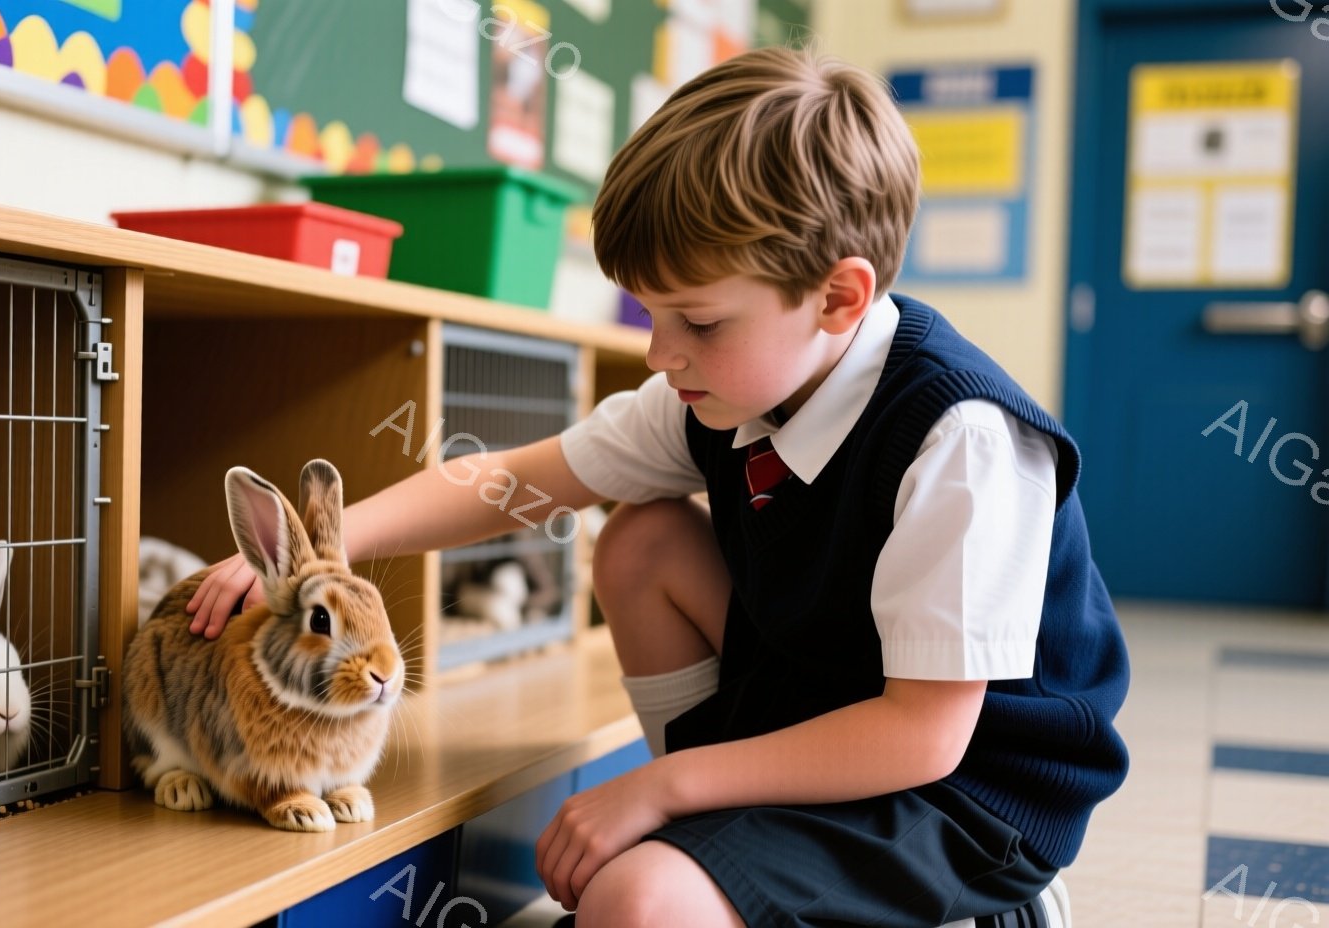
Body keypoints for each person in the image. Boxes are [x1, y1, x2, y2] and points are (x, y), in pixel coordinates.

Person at [184, 43, 1129, 928]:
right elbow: (520, 479)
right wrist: (328, 551)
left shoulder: (962, 438)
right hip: (831, 705)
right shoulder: (718, 390)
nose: (659, 351)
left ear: (840, 296)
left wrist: (657, 786)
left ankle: (979, 905)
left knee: (636, 901)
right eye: (650, 311)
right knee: (642, 538)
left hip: (959, 792)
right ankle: (711, 846)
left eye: (698, 320)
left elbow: (922, 739)